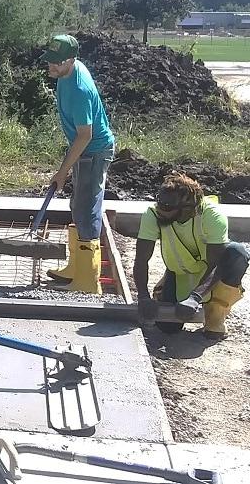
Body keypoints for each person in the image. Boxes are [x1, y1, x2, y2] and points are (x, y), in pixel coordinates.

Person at [40, 35, 115, 294]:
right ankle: (76, 268)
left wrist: (62, 172)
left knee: (87, 209)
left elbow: (86, 135)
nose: (50, 66)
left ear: (71, 59)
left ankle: (87, 281)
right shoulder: (66, 73)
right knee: (77, 204)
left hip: (93, 152)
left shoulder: (80, 89)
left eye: (55, 62)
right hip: (83, 150)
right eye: (49, 60)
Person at [135, 174, 246, 340]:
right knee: (167, 326)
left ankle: (215, 315)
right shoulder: (153, 215)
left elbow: (216, 265)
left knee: (237, 253)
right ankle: (162, 289)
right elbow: (141, 259)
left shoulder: (212, 216)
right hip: (179, 273)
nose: (160, 209)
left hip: (210, 274)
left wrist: (195, 298)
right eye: (159, 201)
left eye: (166, 206)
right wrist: (143, 296)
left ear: (186, 208)